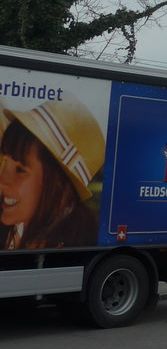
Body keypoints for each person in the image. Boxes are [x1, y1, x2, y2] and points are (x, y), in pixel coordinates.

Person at [0, 95, 104, 250]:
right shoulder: (14, 229)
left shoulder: (60, 244)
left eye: (21, 170)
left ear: (56, 186)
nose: (2, 180)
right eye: (5, 162)